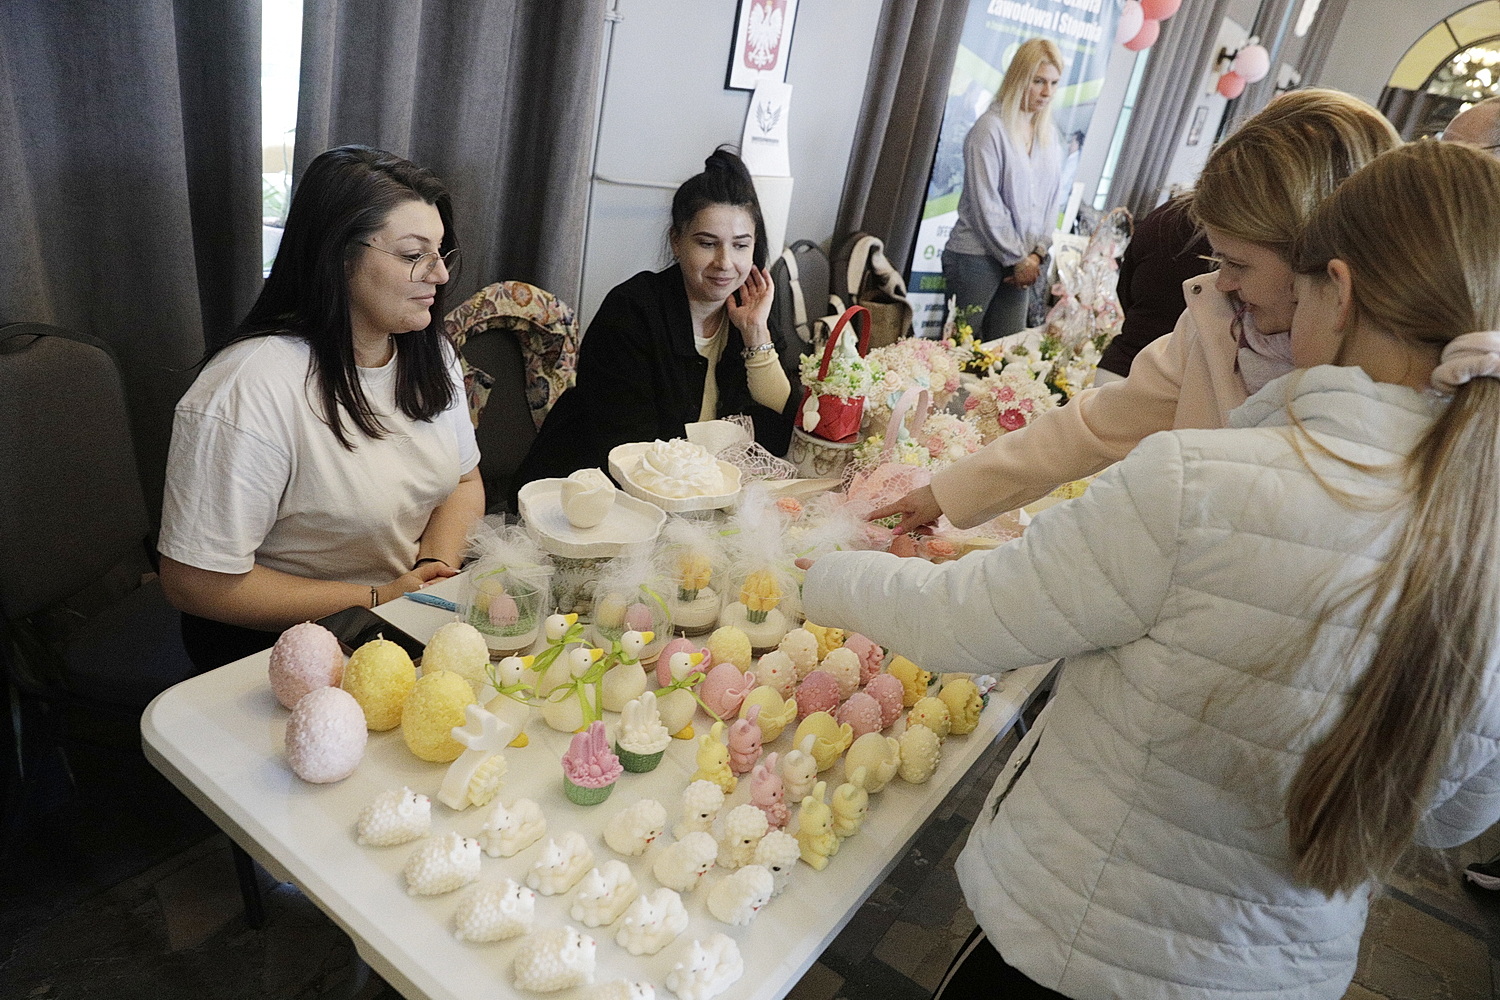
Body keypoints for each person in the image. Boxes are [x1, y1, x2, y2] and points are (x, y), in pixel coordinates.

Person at [802, 138, 1500, 999]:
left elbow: (963, 618)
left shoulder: (1200, 484)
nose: (1229, 286)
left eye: (1245, 264)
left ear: (1338, 286)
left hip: (1089, 943)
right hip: (1278, 972)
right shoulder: (1479, 525)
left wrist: (816, 572)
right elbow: (1454, 812)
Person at [875, 89, 1400, 533]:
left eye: (1239, 263)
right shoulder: (1217, 322)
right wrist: (948, 491)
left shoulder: (1389, 404)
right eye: (1219, 258)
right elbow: (1094, 425)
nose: (1223, 281)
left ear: (1326, 274)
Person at [158, 145, 484, 670]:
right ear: (339, 254)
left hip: (393, 618)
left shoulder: (429, 352)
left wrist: (433, 569)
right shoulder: (252, 386)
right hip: (270, 646)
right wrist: (375, 597)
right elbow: (196, 583)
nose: (440, 276)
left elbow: (465, 484)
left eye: (441, 253)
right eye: (412, 255)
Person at [518, 148, 796, 484]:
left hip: (701, 497)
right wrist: (729, 438)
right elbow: (633, 451)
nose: (725, 262)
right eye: (707, 243)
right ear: (677, 242)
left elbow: (785, 432)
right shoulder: (631, 311)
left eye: (740, 245)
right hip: (597, 493)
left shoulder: (752, 309)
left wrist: (756, 336)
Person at [942, 38, 1065, 341]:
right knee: (960, 351)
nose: (1047, 92)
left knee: (1006, 351)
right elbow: (987, 205)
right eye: (1038, 81)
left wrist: (1036, 253)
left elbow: (1051, 204)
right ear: (1019, 78)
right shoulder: (989, 129)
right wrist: (1018, 259)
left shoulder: (1048, 135)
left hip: (1024, 261)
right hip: (977, 256)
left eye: (1053, 82)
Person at [1094, 194, 1213, 383]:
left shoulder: (1164, 215)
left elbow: (1124, 289)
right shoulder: (1235, 235)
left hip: (1119, 364)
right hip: (1171, 382)